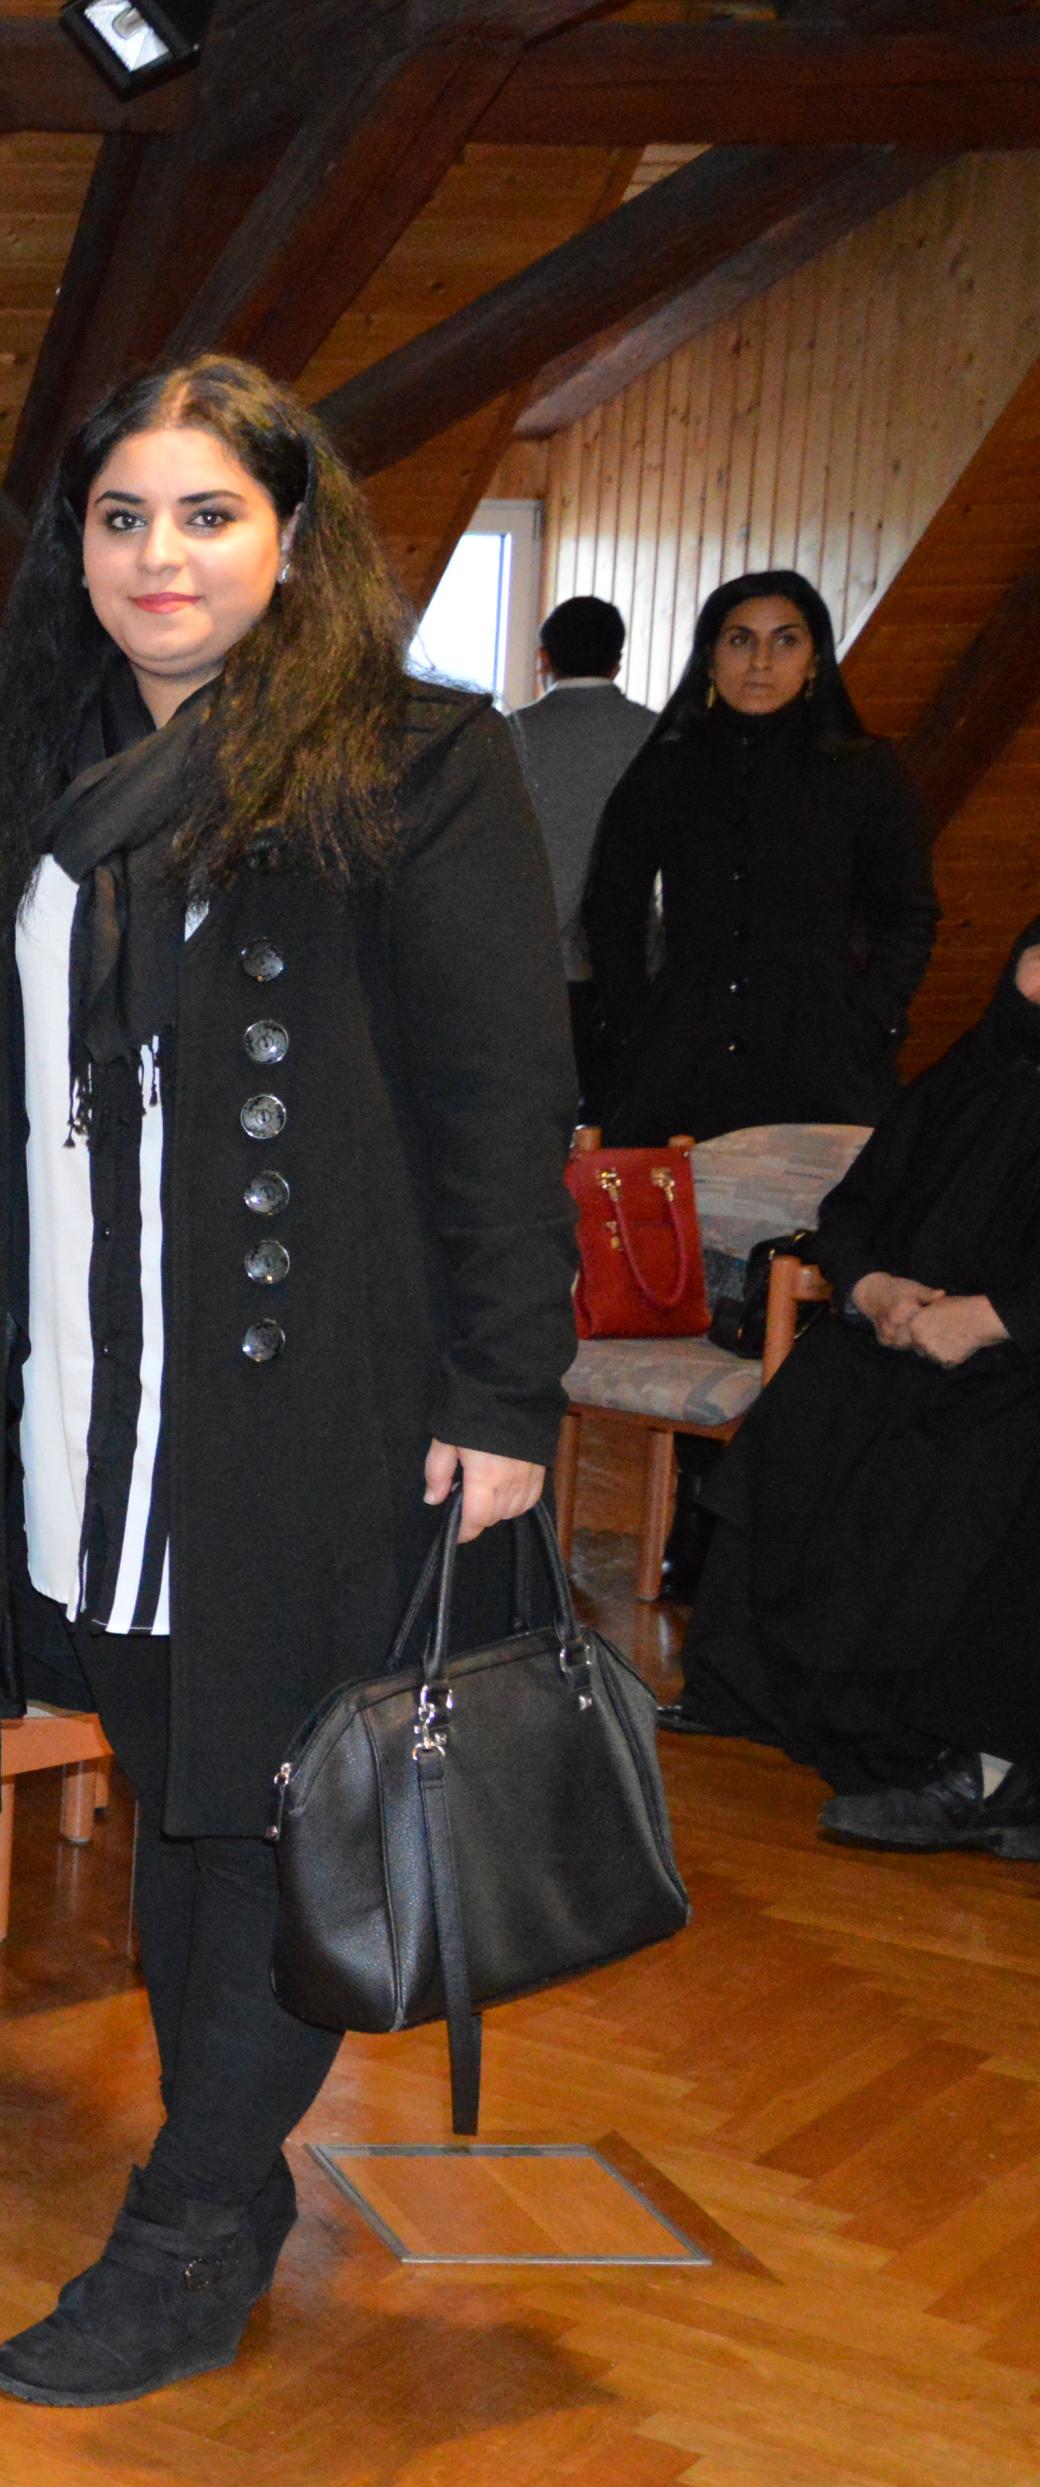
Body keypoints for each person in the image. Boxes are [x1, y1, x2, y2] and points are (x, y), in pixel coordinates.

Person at [0, 355, 575, 2409]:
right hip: (82, 1396)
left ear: (292, 538)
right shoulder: (33, 766)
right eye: (122, 517)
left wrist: (506, 1392)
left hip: (314, 1402)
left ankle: (193, 2213)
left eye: (207, 515)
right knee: (182, 1796)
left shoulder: (411, 758)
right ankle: (224, 2173)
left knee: (280, 1808)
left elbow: (500, 1100)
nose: (161, 557)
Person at [681, 911, 1040, 1855]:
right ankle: (744, 1689)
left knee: (969, 1467)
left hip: (1016, 1360)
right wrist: (874, 1287)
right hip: (900, 1332)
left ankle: (963, 1767)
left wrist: (993, 1317)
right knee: (811, 1405)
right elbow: (851, 1208)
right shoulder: (967, 1073)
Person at [580, 570, 943, 1143]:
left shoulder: (864, 772)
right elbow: (611, 909)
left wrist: (872, 1018)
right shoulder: (667, 770)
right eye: (740, 639)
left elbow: (908, 913)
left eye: (786, 640)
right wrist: (634, 1021)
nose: (760, 662)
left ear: (814, 662)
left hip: (824, 1058)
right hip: (680, 1057)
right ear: (710, 657)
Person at [509, 594, 658, 1085]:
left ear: (543, 659)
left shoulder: (508, 737)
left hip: (528, 963)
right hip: (633, 964)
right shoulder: (658, 736)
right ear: (617, 662)